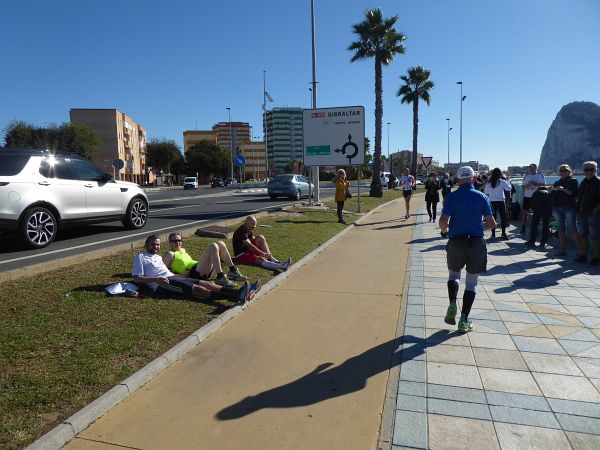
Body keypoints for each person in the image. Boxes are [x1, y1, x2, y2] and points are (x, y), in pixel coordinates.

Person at [439, 166, 496, 333]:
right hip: (476, 243)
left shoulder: (451, 197)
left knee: (454, 275)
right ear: (473, 178)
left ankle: (452, 303)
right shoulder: (482, 197)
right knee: (471, 282)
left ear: (457, 179)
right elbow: (492, 224)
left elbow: (443, 221)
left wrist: (444, 232)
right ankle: (464, 320)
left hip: (456, 241)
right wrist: (478, 229)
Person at [132, 235, 259, 302]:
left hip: (172, 277)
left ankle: (237, 292)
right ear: (146, 245)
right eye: (153, 244)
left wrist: (180, 275)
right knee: (198, 289)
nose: (155, 246)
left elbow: (166, 270)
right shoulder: (140, 257)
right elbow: (137, 278)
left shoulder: (158, 257)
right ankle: (233, 297)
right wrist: (157, 280)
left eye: (158, 244)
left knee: (206, 283)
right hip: (161, 285)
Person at [162, 232, 246, 288]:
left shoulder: (182, 250)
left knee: (220, 243)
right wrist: (179, 276)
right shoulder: (169, 254)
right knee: (213, 246)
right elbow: (162, 270)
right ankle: (220, 276)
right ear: (169, 243)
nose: (178, 243)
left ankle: (232, 271)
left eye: (179, 240)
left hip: (199, 268)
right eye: (175, 241)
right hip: (193, 273)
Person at [550, 164, 579, 256]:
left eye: (565, 170)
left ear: (569, 171)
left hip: (569, 207)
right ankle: (562, 250)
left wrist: (563, 189)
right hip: (557, 207)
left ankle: (581, 251)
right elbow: (552, 194)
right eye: (561, 170)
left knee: (572, 228)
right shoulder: (557, 182)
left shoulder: (573, 181)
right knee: (561, 229)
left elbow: (573, 193)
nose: (563, 172)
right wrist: (552, 190)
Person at [574, 161, 600, 265]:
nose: (588, 171)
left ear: (595, 170)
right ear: (583, 171)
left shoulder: (598, 182)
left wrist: (595, 210)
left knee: (595, 236)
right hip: (581, 213)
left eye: (591, 169)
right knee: (583, 235)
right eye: (586, 169)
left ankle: (596, 258)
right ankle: (583, 255)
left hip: (594, 214)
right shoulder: (583, 182)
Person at [484, 167, 512, 239]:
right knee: (503, 217)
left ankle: (493, 235)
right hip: (501, 201)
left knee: (493, 218)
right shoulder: (502, 181)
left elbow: (486, 192)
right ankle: (503, 233)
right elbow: (509, 188)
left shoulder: (489, 182)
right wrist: (507, 180)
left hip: (491, 201)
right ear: (500, 174)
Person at [521, 163, 546, 234]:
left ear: (536, 168)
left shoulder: (540, 175)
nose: (531, 169)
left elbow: (543, 185)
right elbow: (523, 187)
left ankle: (535, 227)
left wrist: (535, 183)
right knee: (525, 212)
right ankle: (523, 226)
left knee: (537, 212)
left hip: (537, 196)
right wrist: (527, 185)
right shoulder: (527, 176)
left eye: (532, 168)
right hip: (527, 196)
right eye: (530, 168)